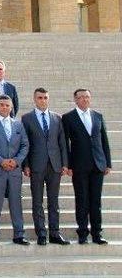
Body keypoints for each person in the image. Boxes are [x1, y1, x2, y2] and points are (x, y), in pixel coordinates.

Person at [62, 89, 111, 245]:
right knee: (82, 200)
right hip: (79, 166)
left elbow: (104, 141)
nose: (84, 99)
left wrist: (107, 163)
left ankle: (97, 233)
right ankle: (82, 233)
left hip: (98, 165)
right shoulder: (68, 118)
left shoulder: (98, 116)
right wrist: (68, 165)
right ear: (75, 100)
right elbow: (65, 144)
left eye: (87, 97)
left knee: (96, 201)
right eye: (81, 97)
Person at [21, 88, 69, 246]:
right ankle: (41, 233)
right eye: (40, 98)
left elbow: (62, 143)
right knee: (37, 201)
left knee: (53, 201)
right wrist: (26, 165)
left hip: (54, 165)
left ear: (48, 99)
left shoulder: (57, 118)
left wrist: (64, 164)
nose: (42, 100)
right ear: (34, 99)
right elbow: (25, 144)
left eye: (45, 97)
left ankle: (55, 233)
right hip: (36, 165)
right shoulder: (27, 118)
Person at [0, 95, 30, 246]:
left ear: (11, 107)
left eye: (7, 105)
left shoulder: (18, 125)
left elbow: (25, 145)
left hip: (15, 170)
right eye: (1, 105)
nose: (4, 107)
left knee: (16, 203)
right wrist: (1, 161)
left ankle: (19, 234)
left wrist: (16, 161)